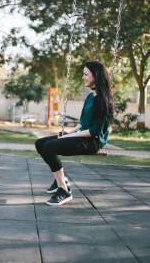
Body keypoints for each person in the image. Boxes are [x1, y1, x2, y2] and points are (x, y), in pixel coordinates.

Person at [35, 61, 113, 206]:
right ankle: (61, 179)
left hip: (93, 141)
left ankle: (63, 190)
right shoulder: (91, 96)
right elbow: (83, 123)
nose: (83, 77)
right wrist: (69, 132)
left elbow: (95, 130)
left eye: (85, 74)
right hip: (84, 134)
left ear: (95, 75)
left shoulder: (103, 99)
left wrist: (71, 136)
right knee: (40, 144)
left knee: (50, 147)